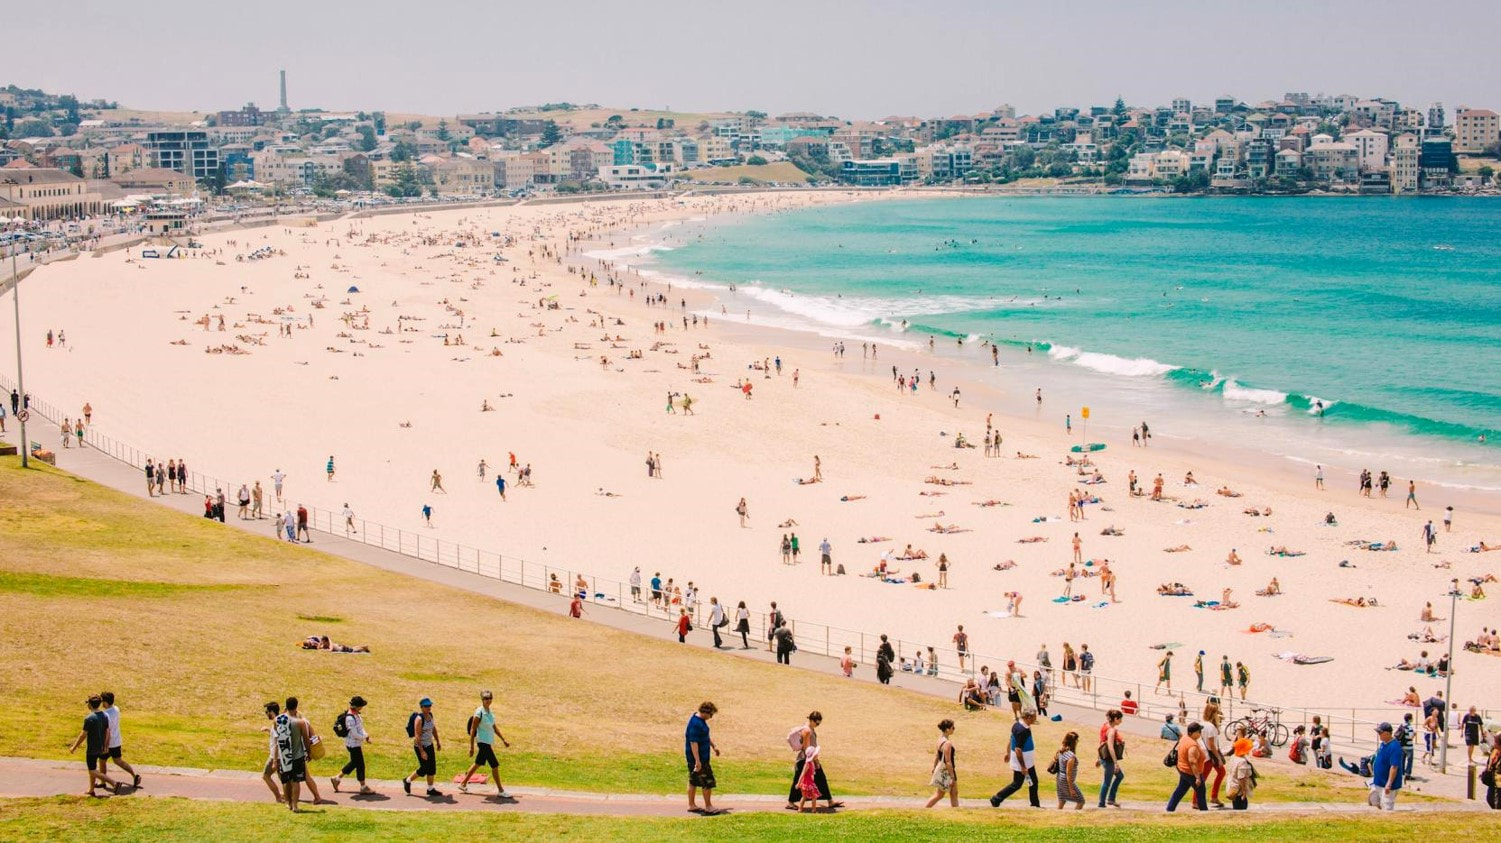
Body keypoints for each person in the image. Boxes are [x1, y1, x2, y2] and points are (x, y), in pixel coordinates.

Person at [69, 695, 125, 796]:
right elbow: (108, 732)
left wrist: (74, 747)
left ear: (90, 705)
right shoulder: (105, 715)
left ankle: (114, 783)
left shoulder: (89, 718)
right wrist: (106, 746)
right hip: (101, 747)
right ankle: (91, 789)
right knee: (93, 768)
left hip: (92, 748)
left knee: (92, 770)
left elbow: (83, 735)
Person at [460, 689, 511, 797]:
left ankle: (463, 783)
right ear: (482, 700)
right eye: (485, 698)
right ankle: (501, 790)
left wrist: (503, 739)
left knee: (478, 763)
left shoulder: (490, 713)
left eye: (489, 698)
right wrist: (471, 747)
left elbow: (494, 727)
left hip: (488, 742)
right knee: (495, 765)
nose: (488, 700)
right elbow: (472, 729)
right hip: (482, 742)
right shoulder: (479, 712)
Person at [787, 711, 839, 811]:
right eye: (816, 722)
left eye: (819, 723)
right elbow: (807, 748)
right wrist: (814, 760)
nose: (818, 725)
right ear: (811, 720)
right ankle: (790, 802)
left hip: (809, 758)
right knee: (800, 779)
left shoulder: (810, 728)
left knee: (820, 778)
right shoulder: (807, 731)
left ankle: (830, 801)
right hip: (806, 759)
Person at [990, 710, 1040, 808]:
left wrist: (1008, 752)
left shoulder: (1018, 725)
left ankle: (1035, 803)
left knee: (1033, 782)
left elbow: (1011, 739)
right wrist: (1023, 767)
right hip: (1023, 762)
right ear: (1029, 717)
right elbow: (1018, 749)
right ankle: (996, 798)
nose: (1035, 719)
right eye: (1034, 717)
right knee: (1017, 784)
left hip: (1028, 762)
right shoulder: (1023, 730)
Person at [271, 696, 313, 812]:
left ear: (286, 706)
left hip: (284, 756)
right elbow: (305, 739)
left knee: (286, 781)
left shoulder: (277, 720)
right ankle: (295, 805)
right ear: (296, 707)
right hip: (298, 755)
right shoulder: (300, 723)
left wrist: (275, 759)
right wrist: (309, 752)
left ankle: (288, 803)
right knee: (296, 781)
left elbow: (276, 739)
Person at [97, 691, 140, 789]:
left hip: (108, 742)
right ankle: (134, 775)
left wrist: (105, 746)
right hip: (116, 741)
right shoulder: (116, 709)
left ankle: (102, 781)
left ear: (106, 702)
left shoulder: (105, 715)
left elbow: (106, 731)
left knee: (102, 760)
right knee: (118, 761)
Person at [331, 696, 374, 795]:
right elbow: (354, 734)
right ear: (357, 706)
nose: (362, 707)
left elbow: (360, 728)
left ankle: (337, 778)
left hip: (356, 744)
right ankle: (363, 786)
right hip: (353, 745)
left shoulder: (356, 715)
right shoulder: (350, 718)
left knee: (355, 763)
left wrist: (365, 735)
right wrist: (364, 737)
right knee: (360, 765)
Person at [685, 702, 723, 814]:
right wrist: (698, 761)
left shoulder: (700, 721)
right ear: (705, 712)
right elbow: (693, 743)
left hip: (699, 758)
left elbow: (705, 736)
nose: (711, 717)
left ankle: (692, 805)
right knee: (707, 781)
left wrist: (713, 746)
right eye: (711, 714)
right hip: (699, 759)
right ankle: (708, 806)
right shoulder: (695, 724)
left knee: (693, 780)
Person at [402, 698, 443, 797]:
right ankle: (407, 780)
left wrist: (437, 741)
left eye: (430, 706)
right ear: (422, 707)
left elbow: (433, 728)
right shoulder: (419, 719)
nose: (429, 708)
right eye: (426, 706)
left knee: (432, 768)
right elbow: (417, 736)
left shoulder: (430, 715)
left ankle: (430, 789)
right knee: (424, 768)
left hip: (429, 745)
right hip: (421, 746)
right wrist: (422, 751)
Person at [1166, 722, 1208, 812]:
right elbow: (1193, 761)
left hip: (1183, 770)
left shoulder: (1184, 738)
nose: (1200, 733)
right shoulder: (1192, 745)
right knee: (1201, 792)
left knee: (1180, 790)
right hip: (1191, 773)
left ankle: (1170, 809)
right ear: (1192, 733)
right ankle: (1204, 812)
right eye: (1199, 731)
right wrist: (1197, 777)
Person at [1369, 722, 1404, 810]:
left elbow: (1394, 767)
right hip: (1378, 781)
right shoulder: (1383, 744)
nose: (1379, 735)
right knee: (1374, 801)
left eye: (1380, 733)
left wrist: (1389, 783)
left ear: (1387, 733)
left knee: (1387, 806)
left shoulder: (1394, 747)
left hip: (1387, 784)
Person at [926, 719, 959, 808]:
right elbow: (948, 761)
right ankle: (925, 809)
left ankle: (956, 811)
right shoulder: (947, 743)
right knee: (940, 794)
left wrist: (934, 767)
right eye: (953, 727)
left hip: (944, 769)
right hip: (948, 771)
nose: (954, 729)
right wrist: (952, 776)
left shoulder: (940, 740)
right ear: (947, 729)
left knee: (953, 793)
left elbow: (937, 756)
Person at [1098, 710, 1125, 808]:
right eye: (1120, 718)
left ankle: (1110, 799)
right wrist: (1115, 763)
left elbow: (1101, 742)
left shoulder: (1105, 726)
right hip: (1109, 758)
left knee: (1120, 776)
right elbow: (1110, 746)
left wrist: (1098, 758)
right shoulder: (1112, 730)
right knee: (1107, 781)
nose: (1121, 721)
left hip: (1103, 756)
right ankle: (1102, 803)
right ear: (1116, 719)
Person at [1053, 731, 1084, 809]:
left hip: (1059, 778)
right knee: (1080, 801)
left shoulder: (1061, 750)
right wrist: (1071, 789)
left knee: (1062, 800)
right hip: (1065, 780)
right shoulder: (1071, 756)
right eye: (1077, 740)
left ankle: (1057, 815)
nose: (1077, 742)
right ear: (1073, 742)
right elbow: (1068, 773)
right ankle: (1075, 817)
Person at [1225, 736, 1257, 810]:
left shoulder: (1233, 757)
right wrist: (1244, 792)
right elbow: (1241, 778)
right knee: (1241, 807)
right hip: (1238, 789)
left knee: (1236, 806)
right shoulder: (1242, 762)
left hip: (1232, 785)